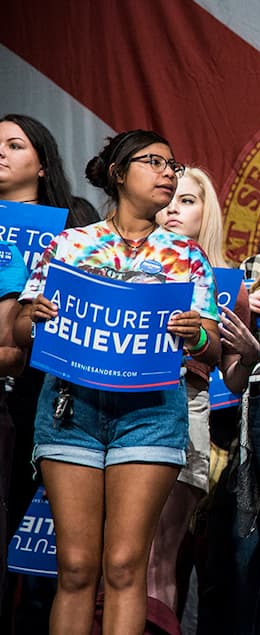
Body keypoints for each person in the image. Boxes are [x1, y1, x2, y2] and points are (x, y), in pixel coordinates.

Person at [13, 129, 220, 633]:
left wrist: (195, 336)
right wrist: (34, 316)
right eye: (155, 162)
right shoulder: (70, 243)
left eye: (174, 165)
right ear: (118, 173)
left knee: (126, 566)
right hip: (71, 412)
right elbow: (20, 332)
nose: (168, 173)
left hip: (150, 415)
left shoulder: (188, 257)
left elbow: (211, 349)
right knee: (78, 567)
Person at [0, 114, 103, 632]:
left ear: (42, 164)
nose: (0, 152)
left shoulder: (72, 231)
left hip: (33, 393)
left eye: (14, 145)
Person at [147, 166, 259, 619]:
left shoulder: (230, 287)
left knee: (162, 559)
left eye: (187, 200)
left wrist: (248, 357)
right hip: (123, 407)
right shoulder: (118, 261)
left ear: (205, 213)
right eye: (169, 198)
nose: (173, 208)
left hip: (189, 410)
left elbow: (231, 380)